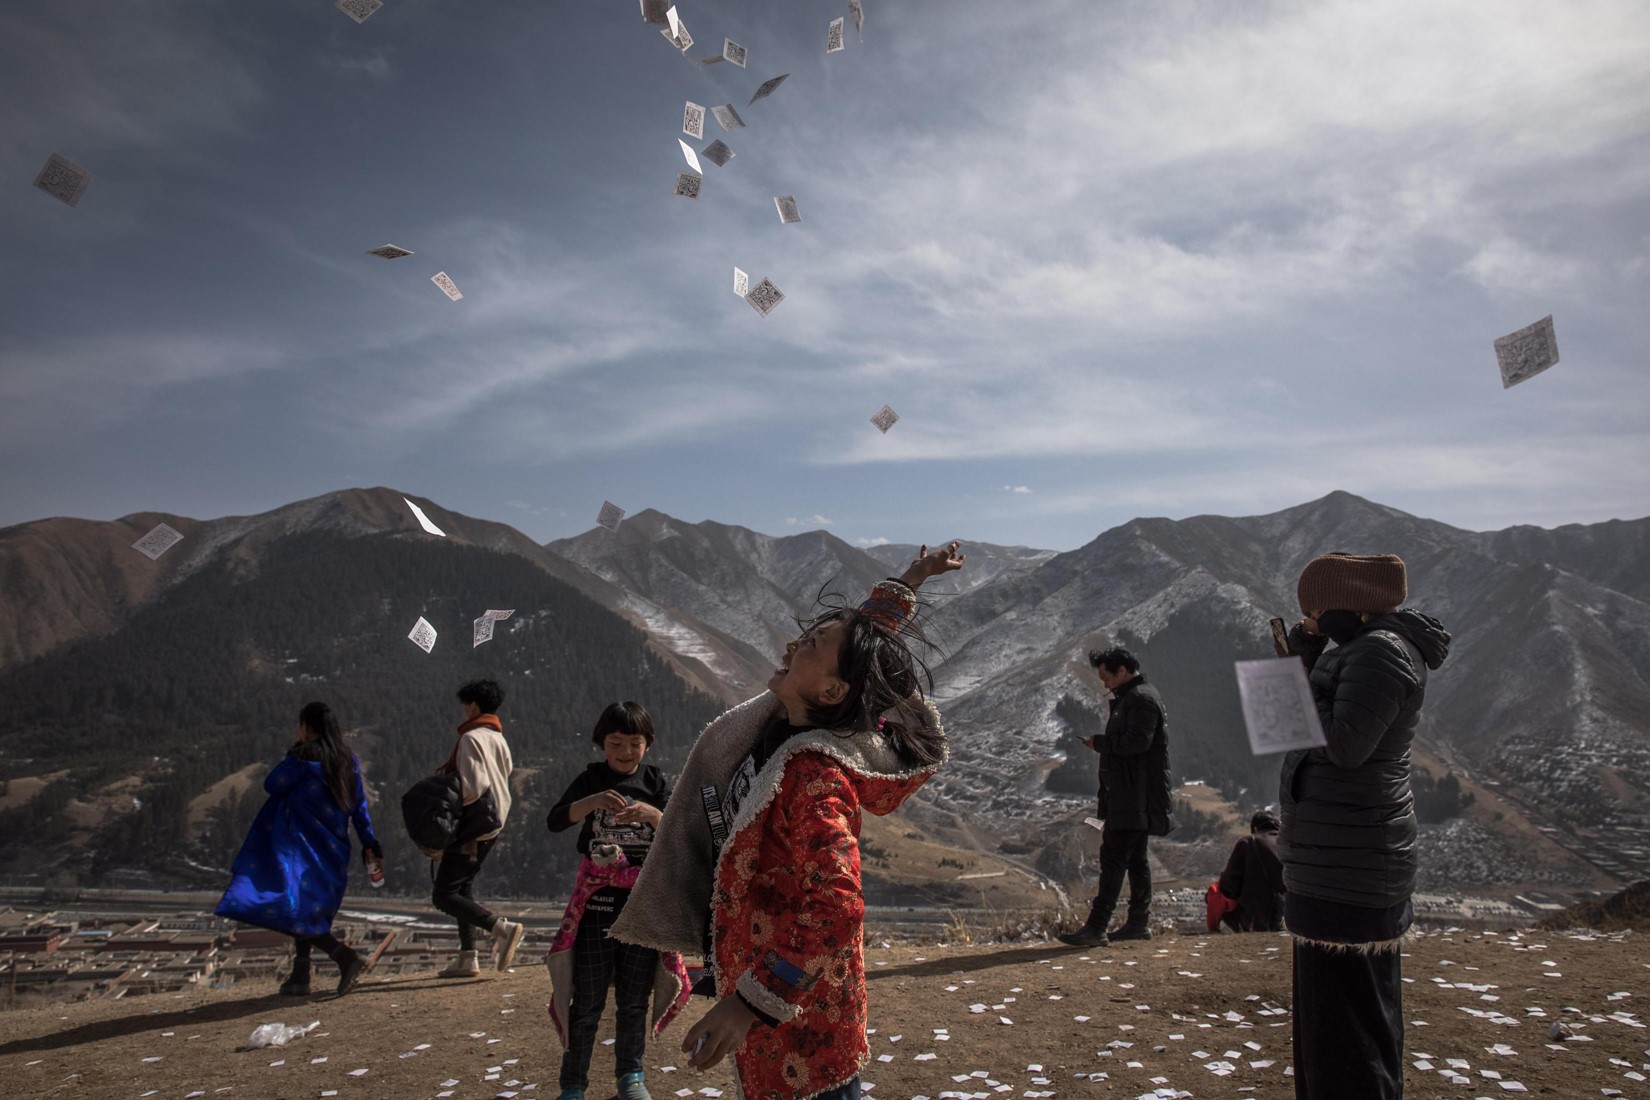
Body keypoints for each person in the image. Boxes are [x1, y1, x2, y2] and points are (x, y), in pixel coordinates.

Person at [611, 543, 966, 1100]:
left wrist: (752, 1001)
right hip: (778, 1002)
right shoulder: (788, 721)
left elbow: (836, 906)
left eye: (810, 646)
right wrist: (914, 578)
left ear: (831, 692)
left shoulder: (814, 777)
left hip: (801, 1023)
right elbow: (862, 637)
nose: (792, 645)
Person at [1282, 552, 1450, 1100]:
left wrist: (1295, 678)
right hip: (1332, 855)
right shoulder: (1357, 649)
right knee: (1329, 1027)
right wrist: (1297, 670)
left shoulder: (1382, 653)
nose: (1310, 620)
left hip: (1351, 862)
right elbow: (1291, 737)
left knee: (1350, 1031)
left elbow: (1346, 747)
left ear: (1348, 605)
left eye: (1315, 609)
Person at [547, 702, 677, 1100]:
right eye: (615, 743)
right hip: (596, 907)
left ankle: (631, 1078)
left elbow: (680, 831)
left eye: (633, 743)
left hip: (642, 907)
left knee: (634, 1000)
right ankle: (572, 1086)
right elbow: (556, 820)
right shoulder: (591, 778)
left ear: (648, 745)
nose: (624, 752)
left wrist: (654, 815)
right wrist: (592, 802)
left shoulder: (656, 781)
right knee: (586, 1001)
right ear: (601, 744)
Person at [215, 701, 380, 996]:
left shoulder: (302, 762)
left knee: (293, 908)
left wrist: (294, 753)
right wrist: (369, 841)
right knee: (305, 908)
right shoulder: (348, 761)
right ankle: (300, 975)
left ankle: (345, 956)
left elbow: (271, 783)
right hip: (333, 849)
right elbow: (360, 807)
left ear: (307, 728)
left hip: (299, 850)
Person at [1058, 646, 1174, 947]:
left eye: (1106, 676)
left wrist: (1102, 743)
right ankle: (1138, 922)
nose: (1105, 683)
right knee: (1136, 860)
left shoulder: (1140, 700)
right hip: (1132, 793)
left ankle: (1097, 926)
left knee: (1113, 859)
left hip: (1133, 795)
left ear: (1122, 671)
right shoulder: (1135, 698)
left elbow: (1138, 742)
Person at [431, 678, 524, 978]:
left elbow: (472, 786)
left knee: (443, 895)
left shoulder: (471, 738)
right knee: (463, 888)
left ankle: (501, 928)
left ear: (472, 706)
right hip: (493, 823)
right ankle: (468, 956)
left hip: (471, 826)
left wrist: (452, 820)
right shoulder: (499, 738)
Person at [1209, 811, 1285, 933]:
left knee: (1214, 893)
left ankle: (1219, 930)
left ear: (1255, 828)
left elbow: (1228, 885)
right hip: (1292, 913)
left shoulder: (1249, 842)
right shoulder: (1289, 842)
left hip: (1257, 916)